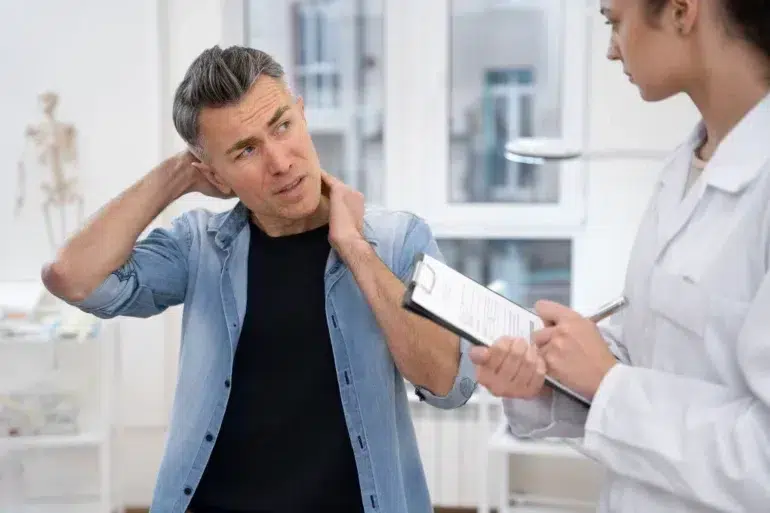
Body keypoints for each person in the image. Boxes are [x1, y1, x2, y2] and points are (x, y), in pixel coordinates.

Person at [41, 45, 477, 513]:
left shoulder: (396, 240)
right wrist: (175, 176)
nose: (281, 162)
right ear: (214, 174)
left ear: (302, 115)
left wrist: (355, 249)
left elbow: (449, 384)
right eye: (246, 150)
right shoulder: (199, 247)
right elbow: (73, 277)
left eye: (282, 126)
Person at [470, 0, 770, 511]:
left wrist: (608, 382)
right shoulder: (688, 164)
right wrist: (545, 379)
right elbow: (648, 360)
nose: (611, 49)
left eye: (614, 20)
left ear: (681, 10)